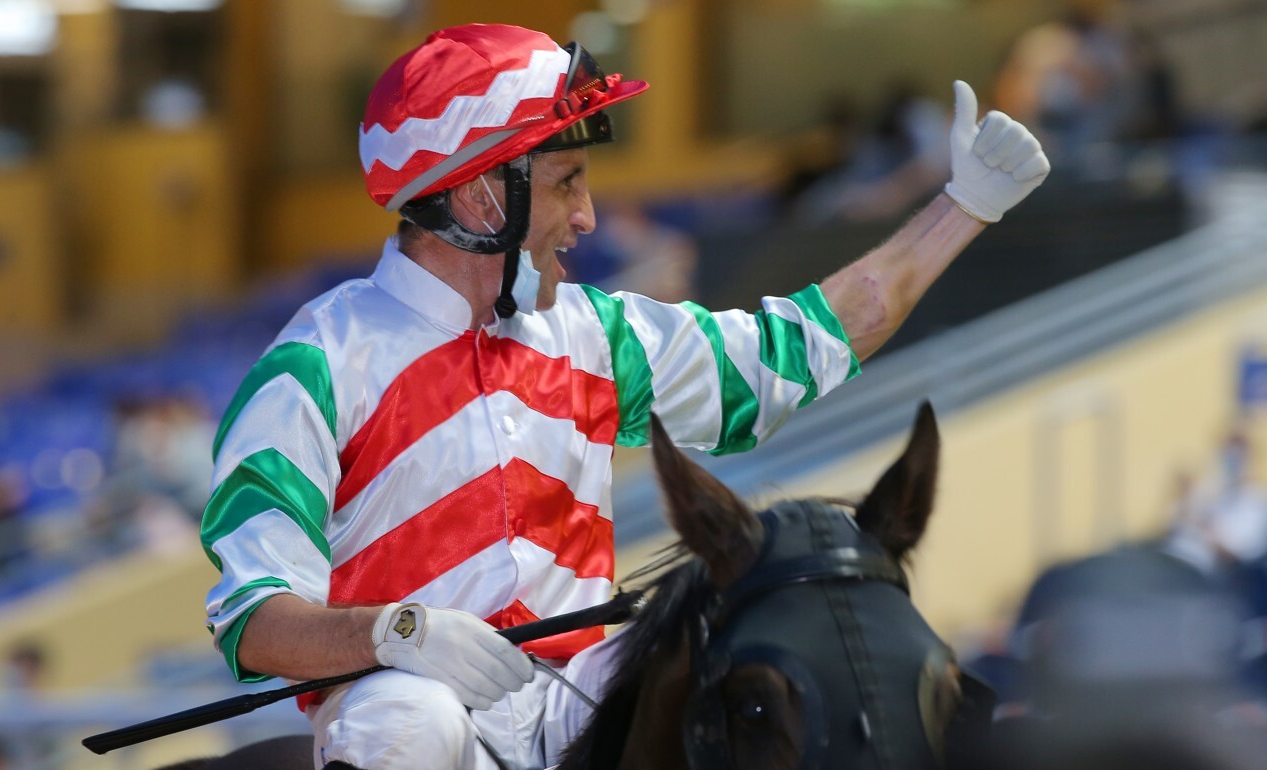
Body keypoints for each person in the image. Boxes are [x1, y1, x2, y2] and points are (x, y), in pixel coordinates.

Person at [200, 22, 1049, 770]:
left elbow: (798, 349)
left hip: (579, 692)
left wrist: (964, 207)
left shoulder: (597, 335)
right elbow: (253, 618)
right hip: (410, 707)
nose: (588, 216)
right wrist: (397, 636)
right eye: (567, 181)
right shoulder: (316, 363)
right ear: (479, 193)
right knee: (409, 723)